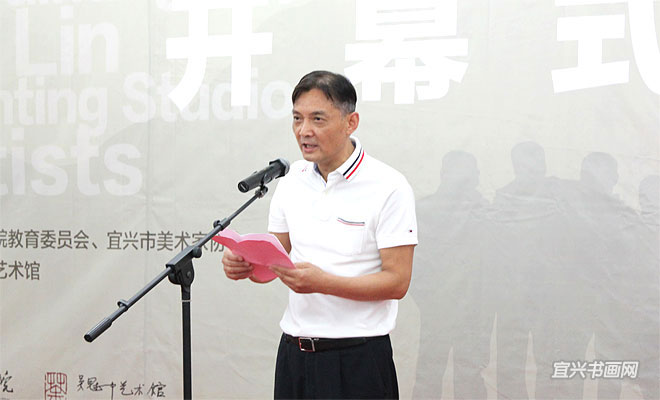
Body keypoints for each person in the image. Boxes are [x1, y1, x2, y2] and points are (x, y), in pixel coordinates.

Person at [222, 70, 417, 399]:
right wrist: (245, 265)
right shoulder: (291, 181)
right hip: (294, 355)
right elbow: (273, 263)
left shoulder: (389, 186)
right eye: (297, 118)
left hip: (358, 359)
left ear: (351, 122)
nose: (304, 131)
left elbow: (397, 282)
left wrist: (323, 283)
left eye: (317, 119)